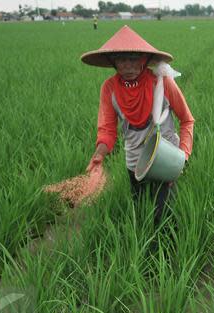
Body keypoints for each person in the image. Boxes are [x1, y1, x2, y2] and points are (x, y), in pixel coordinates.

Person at [81, 25, 194, 226]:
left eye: (133, 59)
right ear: (113, 62)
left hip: (164, 158)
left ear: (144, 59)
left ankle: (167, 255)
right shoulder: (109, 88)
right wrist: (99, 154)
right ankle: (143, 252)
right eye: (122, 60)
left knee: (164, 215)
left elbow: (187, 120)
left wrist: (183, 155)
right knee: (141, 211)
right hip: (134, 162)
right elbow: (107, 129)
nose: (128, 67)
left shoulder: (162, 82)